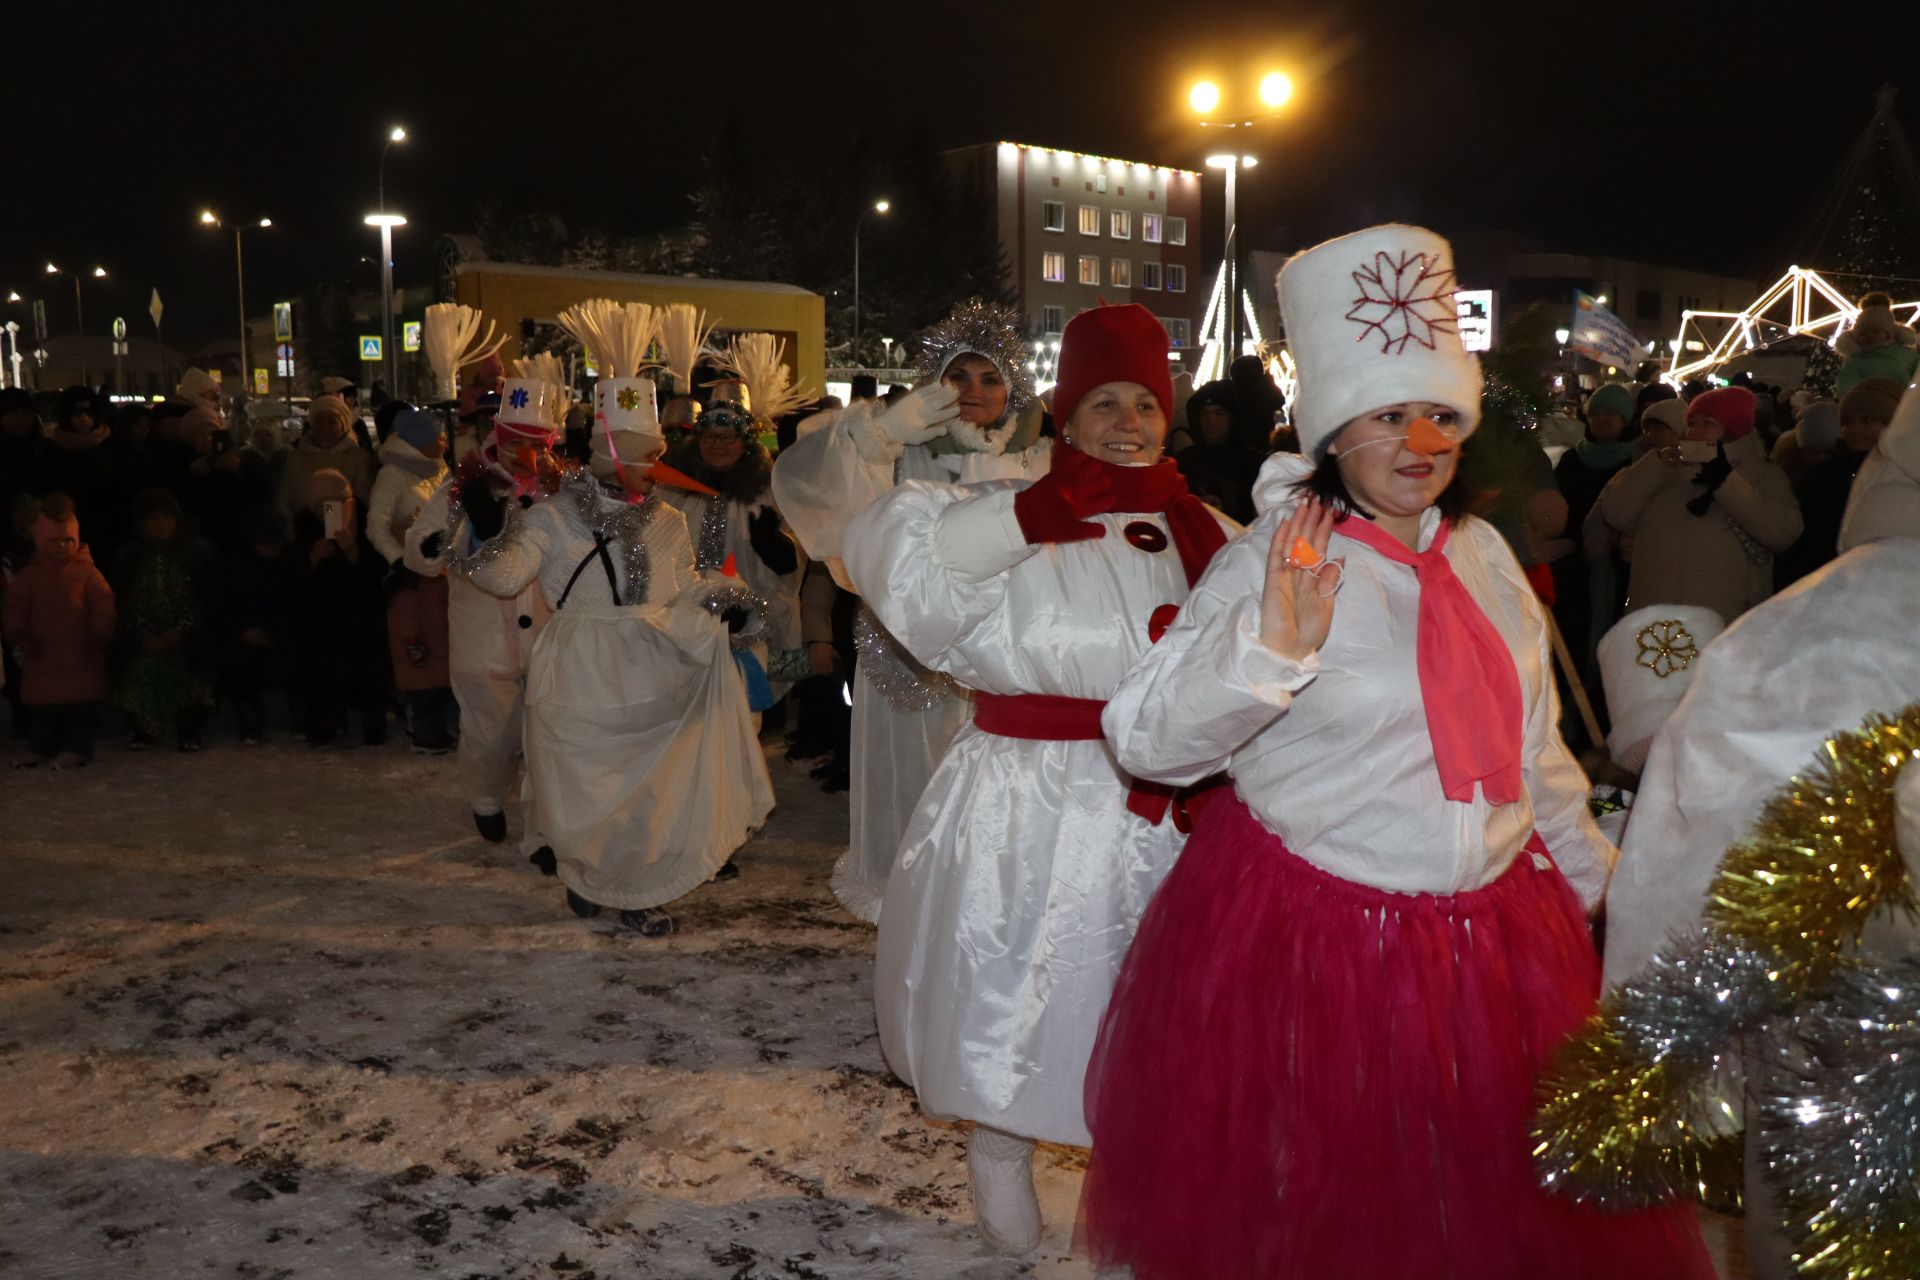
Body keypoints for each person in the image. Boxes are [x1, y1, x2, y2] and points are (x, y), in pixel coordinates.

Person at [1080, 224, 1714, 1279]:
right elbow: (1145, 739)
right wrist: (1268, 652)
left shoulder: (1482, 549)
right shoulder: (1277, 554)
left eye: (1440, 414)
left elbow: (1530, 742)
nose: (1420, 441)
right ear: (1332, 430)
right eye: (1388, 416)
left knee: (1489, 1197)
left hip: (1500, 935)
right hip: (1320, 936)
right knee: (1334, 1200)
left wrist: (1609, 883)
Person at [845, 303, 1235, 1254]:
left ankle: (1122, 1185)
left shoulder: (1212, 528)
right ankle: (1000, 1147)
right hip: (1028, 794)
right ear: (1066, 412)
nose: (1127, 422)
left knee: (1143, 999)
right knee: (1015, 982)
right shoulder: (1005, 498)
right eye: (1103, 401)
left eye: (1144, 403)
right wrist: (1029, 514)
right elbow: (897, 565)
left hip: (1166, 812)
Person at [1600, 381, 1920, 1279]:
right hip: (1667, 640)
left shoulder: (1805, 603)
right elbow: (1610, 521)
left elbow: (1695, 832)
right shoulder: (1817, 615)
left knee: (1816, 1225)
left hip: (1833, 1017)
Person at [462, 376, 774, 936]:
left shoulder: (669, 520)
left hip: (652, 666)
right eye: (645, 454)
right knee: (582, 783)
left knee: (648, 788)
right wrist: (487, 527)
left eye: (656, 453)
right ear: (613, 454)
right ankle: (587, 874)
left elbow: (682, 586)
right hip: (580, 669)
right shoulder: (552, 518)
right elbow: (504, 578)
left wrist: (728, 603)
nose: (655, 464)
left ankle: (635, 892)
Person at [773, 298, 1050, 922]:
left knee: (987, 801)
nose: (973, 392)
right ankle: (908, 917)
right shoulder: (894, 452)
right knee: (910, 790)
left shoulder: (1035, 463)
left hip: (995, 665)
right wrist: (881, 434)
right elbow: (806, 480)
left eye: (989, 378)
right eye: (958, 377)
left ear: (1012, 390)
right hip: (902, 658)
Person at [405, 379, 564, 850]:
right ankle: (486, 794)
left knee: (547, 739)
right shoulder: (464, 483)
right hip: (483, 636)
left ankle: (545, 828)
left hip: (548, 634)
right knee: (491, 735)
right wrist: (439, 544)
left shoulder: (563, 490)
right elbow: (423, 544)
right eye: (515, 440)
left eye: (536, 443)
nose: (524, 452)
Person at [1599, 385, 1801, 622]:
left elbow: (1782, 533)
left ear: (1734, 428)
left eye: (1708, 423)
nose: (1695, 431)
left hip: (1723, 624)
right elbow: (1616, 513)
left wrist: (1725, 481)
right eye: (1692, 423)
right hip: (1654, 624)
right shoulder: (1665, 471)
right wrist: (1655, 465)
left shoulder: (1763, 476)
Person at [658, 389, 802, 693]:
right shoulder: (675, 490)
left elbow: (795, 558)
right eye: (709, 437)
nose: (718, 445)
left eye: (728, 437)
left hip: (755, 625)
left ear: (744, 442)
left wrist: (773, 545)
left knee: (747, 709)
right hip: (691, 623)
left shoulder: (770, 490)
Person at [5, 495, 114, 769]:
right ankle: (41, 747)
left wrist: (99, 635)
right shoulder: (30, 576)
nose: (62, 546)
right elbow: (14, 605)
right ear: (41, 542)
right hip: (43, 653)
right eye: (54, 541)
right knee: (44, 707)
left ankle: (78, 748)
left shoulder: (88, 572)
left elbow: (104, 604)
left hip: (80, 652)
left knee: (78, 707)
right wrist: (19, 633)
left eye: (67, 541)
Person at [287, 470, 390, 748]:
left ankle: (373, 725)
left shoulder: (367, 527)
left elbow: (377, 575)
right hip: (322, 620)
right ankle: (325, 725)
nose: (328, 510)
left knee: (370, 666)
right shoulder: (304, 530)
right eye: (323, 505)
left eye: (336, 502)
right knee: (323, 668)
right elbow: (294, 580)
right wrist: (312, 558)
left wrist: (353, 552)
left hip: (363, 616)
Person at [112, 488, 215, 751]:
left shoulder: (193, 553)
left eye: (167, 516)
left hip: (186, 632)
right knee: (143, 667)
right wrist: (143, 632)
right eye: (155, 518)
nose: (164, 523)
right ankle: (144, 729)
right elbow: (125, 601)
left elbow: (203, 598)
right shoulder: (131, 557)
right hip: (145, 634)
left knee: (189, 670)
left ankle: (189, 729)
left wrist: (181, 629)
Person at [1552, 382, 1638, 668]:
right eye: (1596, 413)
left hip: (1621, 562)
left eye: (1611, 414)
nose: (1602, 420)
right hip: (1577, 562)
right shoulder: (1572, 459)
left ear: (1625, 419)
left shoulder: (1638, 459)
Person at [216, 504, 291, 744]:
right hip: (243, 633)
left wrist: (276, 631)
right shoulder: (233, 563)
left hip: (279, 631)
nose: (270, 551)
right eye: (264, 545)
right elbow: (222, 604)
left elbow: (292, 602)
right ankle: (249, 717)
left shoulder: (287, 561)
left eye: (274, 545)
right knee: (236, 661)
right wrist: (243, 631)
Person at [278, 395, 373, 531]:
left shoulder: (358, 458)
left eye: (332, 421)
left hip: (345, 532)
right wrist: (290, 529)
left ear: (343, 425)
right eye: (318, 420)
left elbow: (364, 500)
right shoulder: (296, 457)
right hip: (303, 532)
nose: (324, 427)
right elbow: (283, 498)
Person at [368, 408, 449, 566]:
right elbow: (376, 526)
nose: (446, 446)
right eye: (441, 440)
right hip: (412, 569)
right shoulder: (392, 474)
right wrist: (399, 560)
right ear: (424, 442)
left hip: (439, 565)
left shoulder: (440, 468)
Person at [1174, 379, 1261, 523]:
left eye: (1219, 413)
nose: (1211, 420)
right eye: (1204, 413)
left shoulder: (1253, 465)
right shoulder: (1183, 463)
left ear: (1232, 418)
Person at [1833, 291, 1919, 397]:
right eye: (1863, 333)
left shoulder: (1907, 355)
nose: (1870, 336)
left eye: (1876, 332)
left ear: (1888, 334)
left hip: (1903, 404)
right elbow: (1846, 385)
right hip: (1869, 405)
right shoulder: (1855, 360)